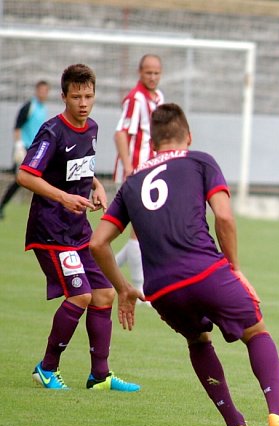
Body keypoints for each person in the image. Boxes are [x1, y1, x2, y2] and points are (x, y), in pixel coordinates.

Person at [90, 103, 279, 426]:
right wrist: (236, 269)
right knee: (256, 331)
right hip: (204, 271)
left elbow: (98, 243)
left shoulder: (131, 183)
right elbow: (224, 217)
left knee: (197, 340)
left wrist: (123, 288)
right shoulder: (199, 161)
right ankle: (277, 412)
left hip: (161, 290)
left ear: (152, 144)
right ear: (188, 136)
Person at [16, 64, 140, 392]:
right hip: (51, 231)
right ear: (64, 97)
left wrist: (96, 186)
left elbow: (79, 170)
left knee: (104, 293)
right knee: (81, 295)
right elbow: (25, 175)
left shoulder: (93, 128)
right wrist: (63, 197)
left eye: (88, 96)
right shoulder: (52, 132)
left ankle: (100, 376)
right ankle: (46, 368)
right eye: (76, 97)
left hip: (78, 229)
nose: (83, 102)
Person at [112, 54, 164, 295]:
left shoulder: (158, 98)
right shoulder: (135, 99)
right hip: (135, 174)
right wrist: (129, 168)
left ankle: (103, 271)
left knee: (145, 229)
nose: (152, 77)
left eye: (156, 73)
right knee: (140, 230)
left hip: (151, 173)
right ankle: (141, 291)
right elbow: (120, 133)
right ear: (139, 72)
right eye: (148, 73)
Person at [0, 80, 50, 220]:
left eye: (46, 91)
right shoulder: (30, 106)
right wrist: (18, 146)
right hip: (24, 148)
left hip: (36, 150)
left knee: (38, 179)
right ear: (36, 90)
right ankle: (1, 206)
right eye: (41, 90)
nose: (43, 93)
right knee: (20, 180)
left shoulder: (43, 108)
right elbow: (17, 126)